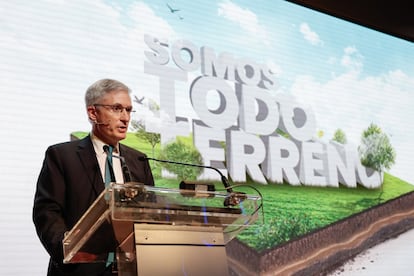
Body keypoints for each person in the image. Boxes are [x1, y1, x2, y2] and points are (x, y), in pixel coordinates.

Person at [33, 79, 154, 275]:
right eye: (117, 109)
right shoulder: (62, 156)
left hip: (132, 269)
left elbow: (150, 214)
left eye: (128, 110)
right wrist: (67, 250)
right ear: (93, 113)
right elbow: (47, 211)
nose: (125, 118)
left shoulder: (138, 160)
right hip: (79, 270)